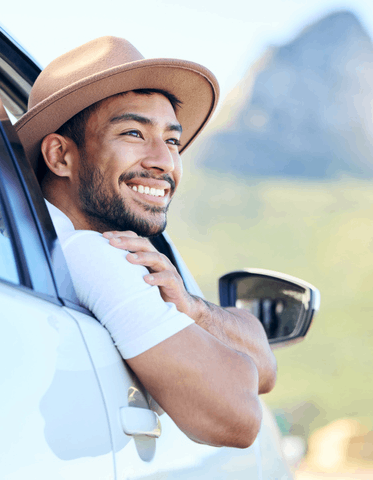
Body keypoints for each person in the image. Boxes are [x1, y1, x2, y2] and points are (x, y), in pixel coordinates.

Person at [16, 36, 277, 448]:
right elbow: (239, 419)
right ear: (60, 156)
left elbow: (265, 368)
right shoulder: (90, 254)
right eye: (134, 133)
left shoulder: (31, 244)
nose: (164, 161)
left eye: (172, 140)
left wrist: (192, 308)